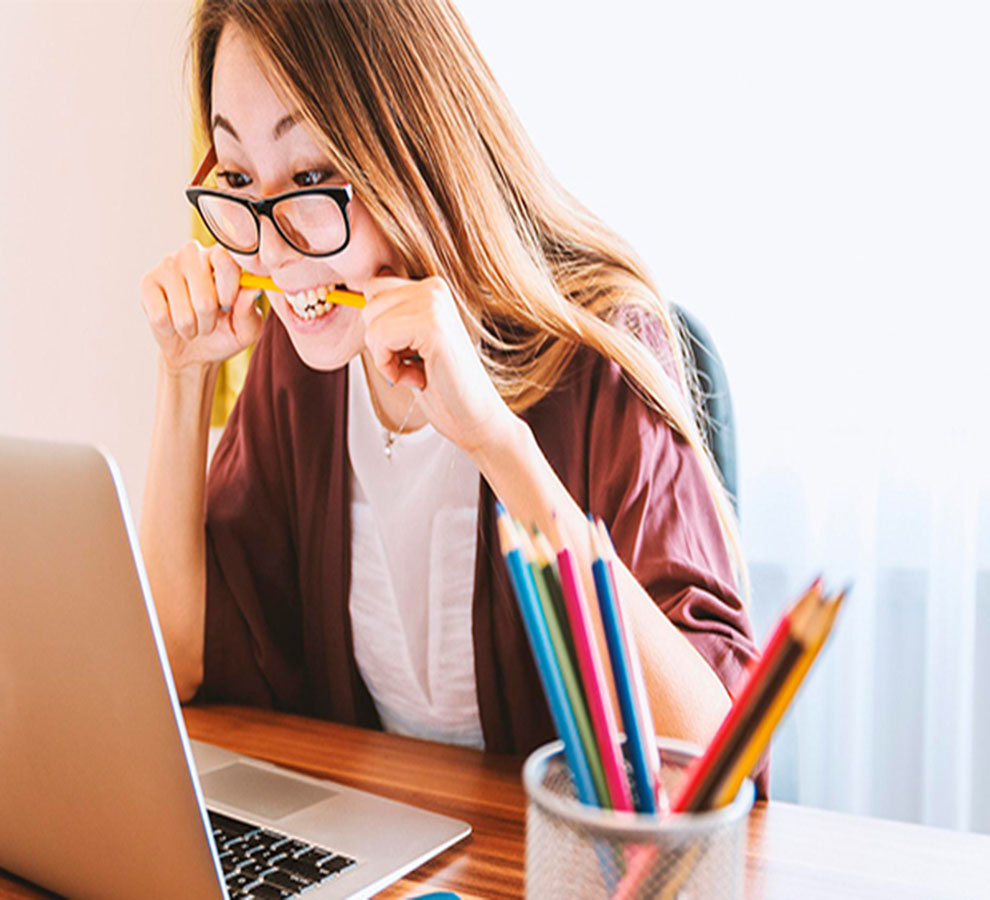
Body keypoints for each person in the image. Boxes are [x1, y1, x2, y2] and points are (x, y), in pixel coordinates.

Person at [139, 0, 766, 793]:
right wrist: (183, 378)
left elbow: (718, 763)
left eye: (310, 177)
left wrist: (497, 444)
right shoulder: (302, 364)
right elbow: (179, 663)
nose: (268, 244)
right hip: (391, 855)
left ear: (413, 149)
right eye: (237, 179)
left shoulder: (602, 350)